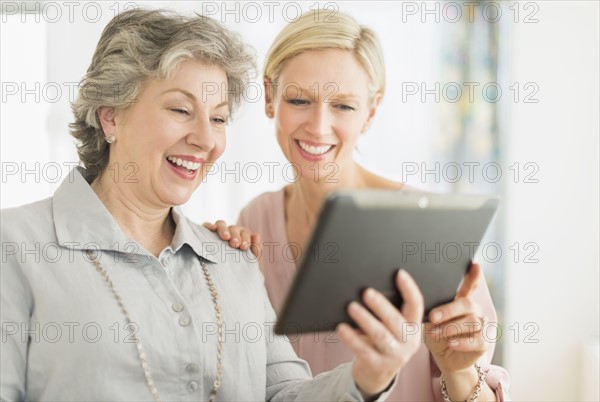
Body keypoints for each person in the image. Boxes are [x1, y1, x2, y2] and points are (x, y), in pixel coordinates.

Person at [1, 8, 432, 401]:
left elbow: (284, 395)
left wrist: (368, 376)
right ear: (110, 114)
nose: (206, 140)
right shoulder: (17, 247)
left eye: (219, 118)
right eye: (180, 110)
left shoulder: (234, 261)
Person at [207, 9, 510, 401]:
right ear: (269, 98)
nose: (318, 126)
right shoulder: (256, 218)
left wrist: (461, 371)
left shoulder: (428, 226)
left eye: (344, 106)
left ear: (370, 111)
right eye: (299, 99)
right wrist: (216, 267)